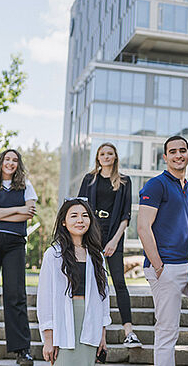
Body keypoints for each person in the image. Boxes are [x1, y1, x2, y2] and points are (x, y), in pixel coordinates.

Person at [137, 135, 188, 366]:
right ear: (165, 157)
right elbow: (143, 227)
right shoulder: (156, 185)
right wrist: (159, 267)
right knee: (167, 330)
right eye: (173, 151)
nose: (178, 155)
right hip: (166, 267)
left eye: (182, 150)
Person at [77, 142, 141, 348]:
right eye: (102, 154)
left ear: (115, 157)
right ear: (98, 157)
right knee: (90, 281)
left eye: (109, 154)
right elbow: (80, 207)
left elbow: (126, 215)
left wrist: (114, 240)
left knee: (119, 283)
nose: (106, 157)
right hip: (91, 234)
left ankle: (129, 332)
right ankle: (87, 329)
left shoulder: (124, 181)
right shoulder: (89, 179)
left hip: (114, 234)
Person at [0, 149, 36, 365]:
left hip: (15, 245)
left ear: (18, 164)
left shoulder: (26, 186)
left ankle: (22, 350)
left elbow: (29, 213)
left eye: (15, 160)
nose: (10, 163)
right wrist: (17, 210)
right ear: (0, 162)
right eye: (7, 159)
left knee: (16, 296)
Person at [38, 198, 111, 365]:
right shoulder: (54, 254)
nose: (80, 220)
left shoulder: (96, 255)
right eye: (74, 216)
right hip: (63, 321)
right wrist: (48, 340)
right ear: (63, 222)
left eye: (85, 215)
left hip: (91, 322)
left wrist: (102, 335)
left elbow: (103, 296)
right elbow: (45, 299)